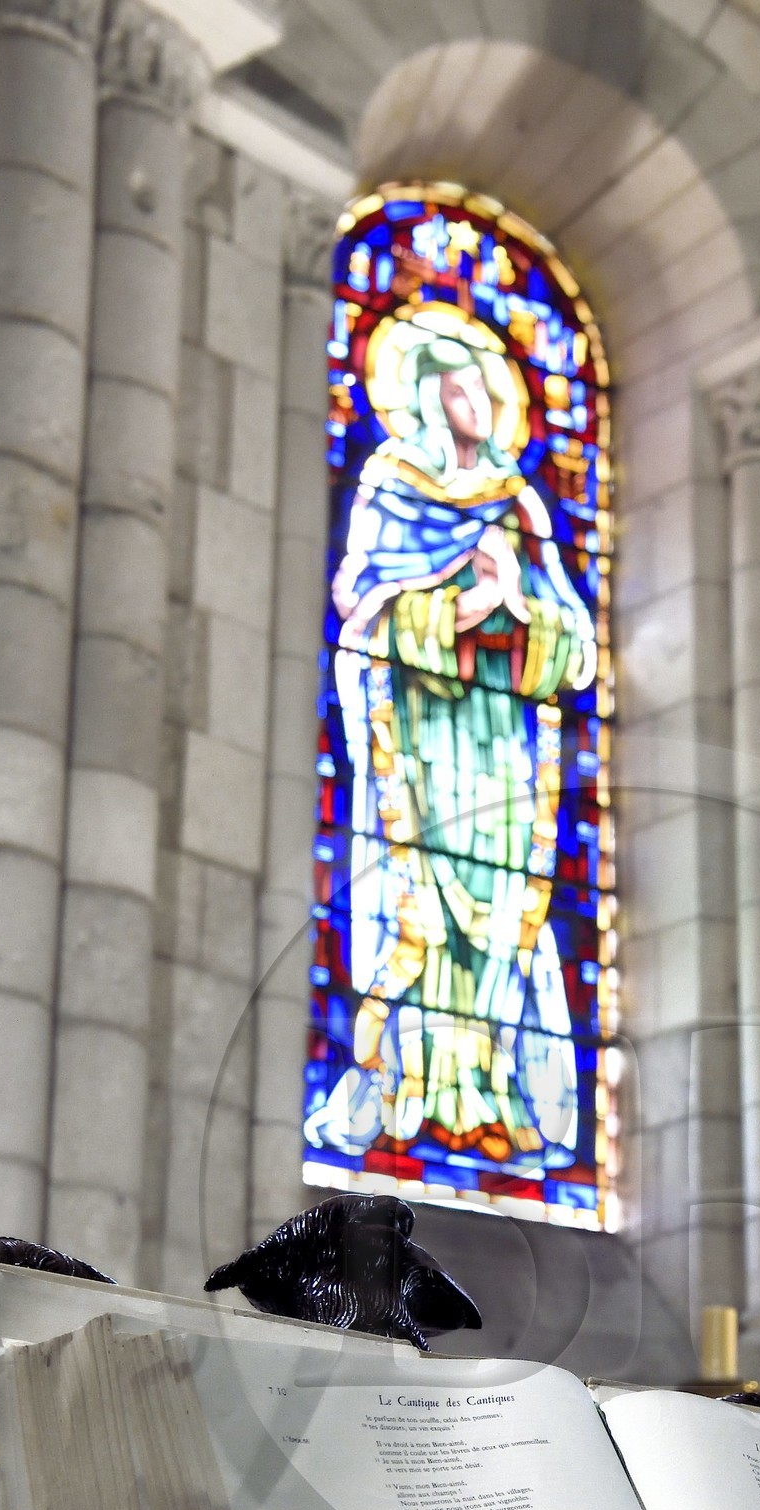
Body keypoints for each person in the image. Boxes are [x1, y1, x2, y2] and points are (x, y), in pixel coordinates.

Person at [305, 310, 596, 1174]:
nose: (480, 404)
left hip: (502, 754)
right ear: (428, 397)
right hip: (418, 749)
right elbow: (362, 609)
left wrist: (519, 605)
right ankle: (409, 1096)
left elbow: (576, 648)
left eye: (485, 390)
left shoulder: (518, 505)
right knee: (422, 918)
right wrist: (464, 606)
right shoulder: (390, 485)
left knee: (500, 924)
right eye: (462, 389)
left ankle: (495, 1096)